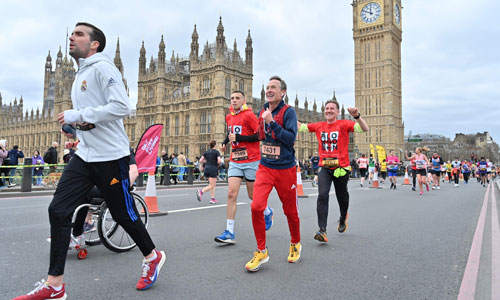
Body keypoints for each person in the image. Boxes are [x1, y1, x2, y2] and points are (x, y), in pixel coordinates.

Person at [13, 23, 165, 300]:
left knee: (123, 214)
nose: (72, 36)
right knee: (58, 210)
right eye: (72, 33)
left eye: (79, 34)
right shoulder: (80, 74)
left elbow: (120, 107)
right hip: (85, 156)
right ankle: (55, 284)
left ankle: (152, 256)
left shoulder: (104, 68)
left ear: (94, 44)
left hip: (111, 157)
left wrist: (76, 115)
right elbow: (91, 119)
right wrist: (77, 128)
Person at [245, 75, 301, 272]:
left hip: (285, 169)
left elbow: (289, 139)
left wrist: (271, 122)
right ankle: (261, 251)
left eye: (273, 88)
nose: (269, 90)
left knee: (290, 212)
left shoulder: (289, 112)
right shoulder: (262, 111)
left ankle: (295, 243)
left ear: (282, 92)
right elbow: (260, 136)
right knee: (256, 207)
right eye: (267, 87)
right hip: (266, 168)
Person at [298, 99, 368, 243]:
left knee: (341, 195)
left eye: (332, 108)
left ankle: (343, 218)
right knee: (322, 195)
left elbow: (364, 129)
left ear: (337, 112)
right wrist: (282, 114)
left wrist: (357, 116)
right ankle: (322, 230)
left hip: (341, 168)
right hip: (325, 167)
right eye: (327, 108)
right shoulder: (319, 126)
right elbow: (301, 127)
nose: (328, 110)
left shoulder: (344, 124)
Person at [215, 90, 274, 244]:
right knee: (231, 194)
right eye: (232, 98)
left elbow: (260, 135)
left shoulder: (248, 115)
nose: (234, 101)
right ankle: (229, 232)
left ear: (243, 100)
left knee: (253, 196)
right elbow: (231, 133)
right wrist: (224, 142)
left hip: (252, 160)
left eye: (237, 98)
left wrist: (240, 138)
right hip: (235, 160)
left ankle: (267, 212)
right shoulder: (229, 116)